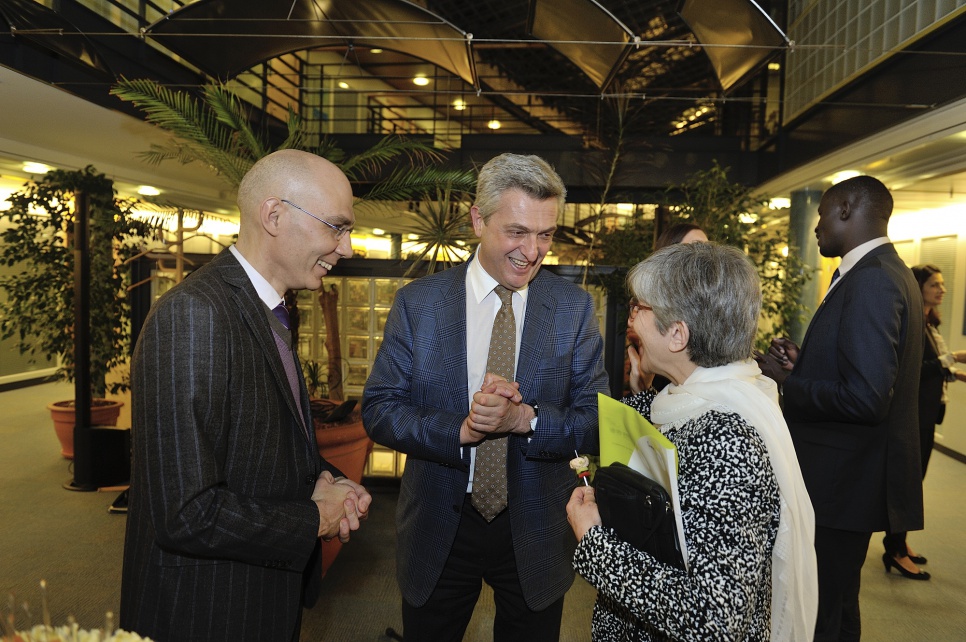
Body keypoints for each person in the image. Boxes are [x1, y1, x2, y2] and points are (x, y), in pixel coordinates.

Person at [120, 150, 372, 642]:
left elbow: (259, 448)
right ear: (273, 216)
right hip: (206, 611)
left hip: (258, 601)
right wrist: (314, 517)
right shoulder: (193, 315)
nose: (346, 247)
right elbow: (184, 513)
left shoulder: (269, 308)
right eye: (336, 227)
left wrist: (329, 480)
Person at [362, 153, 609, 641]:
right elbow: (381, 408)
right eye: (517, 232)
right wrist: (459, 430)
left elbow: (595, 420)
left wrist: (524, 420)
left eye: (546, 234)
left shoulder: (572, 309)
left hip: (536, 528)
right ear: (478, 219)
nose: (533, 251)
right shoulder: (420, 304)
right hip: (439, 526)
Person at [567, 242, 817, 641]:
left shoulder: (728, 441)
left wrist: (596, 544)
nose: (631, 318)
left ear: (678, 334)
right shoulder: (675, 402)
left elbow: (714, 621)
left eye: (639, 308)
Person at [757, 175, 923, 641]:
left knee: (822, 611)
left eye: (821, 213)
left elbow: (868, 398)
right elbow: (863, 369)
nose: (815, 226)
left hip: (842, 483)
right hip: (847, 478)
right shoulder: (880, 271)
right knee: (835, 604)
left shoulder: (872, 279)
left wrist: (790, 384)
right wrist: (804, 364)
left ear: (847, 208)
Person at [882, 264, 966, 578]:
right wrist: (953, 358)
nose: (942, 289)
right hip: (913, 414)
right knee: (907, 483)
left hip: (927, 412)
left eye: (943, 284)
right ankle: (896, 550)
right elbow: (914, 368)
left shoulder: (930, 322)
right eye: (935, 284)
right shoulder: (913, 322)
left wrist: (953, 372)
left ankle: (900, 542)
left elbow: (931, 368)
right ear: (919, 288)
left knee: (914, 482)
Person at [627, 222, 708, 395]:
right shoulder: (648, 309)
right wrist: (643, 391)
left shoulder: (714, 311)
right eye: (694, 250)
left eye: (707, 250)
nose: (704, 258)